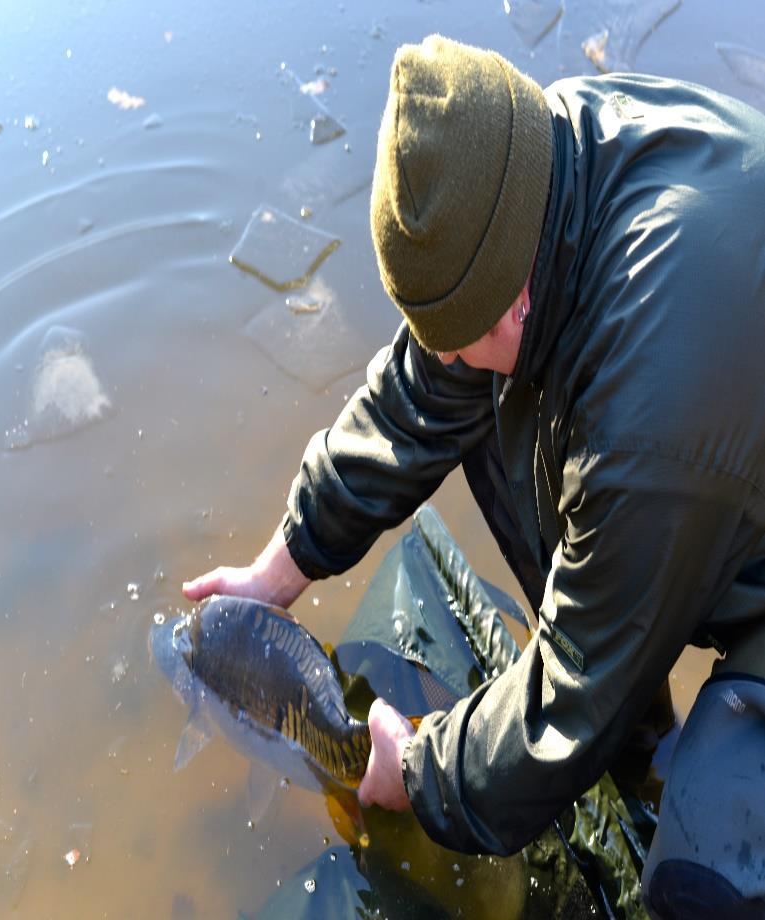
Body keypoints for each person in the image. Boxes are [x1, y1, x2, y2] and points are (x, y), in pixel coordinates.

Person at [183, 34, 765, 919]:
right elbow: (422, 390)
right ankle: (638, 753)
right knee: (488, 407)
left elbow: (575, 686)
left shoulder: (651, 415)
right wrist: (283, 566)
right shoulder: (537, 162)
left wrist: (415, 773)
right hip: (714, 458)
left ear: (514, 296)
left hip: (702, 454)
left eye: (455, 331)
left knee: (709, 872)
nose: (443, 354)